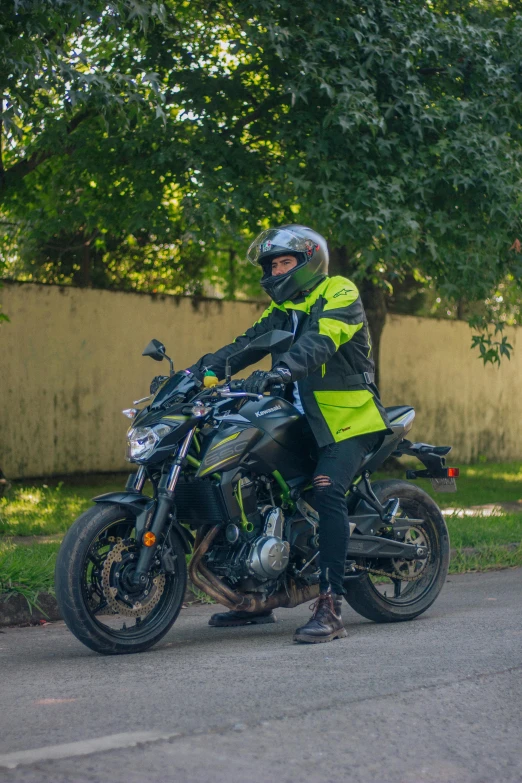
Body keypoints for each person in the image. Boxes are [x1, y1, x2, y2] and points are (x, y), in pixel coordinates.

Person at [187, 225, 390, 643]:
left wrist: (282, 370)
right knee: (251, 483)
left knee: (326, 488)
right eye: (272, 264)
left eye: (284, 262)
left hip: (346, 421)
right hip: (298, 422)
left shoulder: (339, 291)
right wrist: (194, 375)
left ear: (309, 260)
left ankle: (331, 604)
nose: (277, 270)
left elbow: (321, 341)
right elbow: (244, 346)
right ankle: (255, 593)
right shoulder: (282, 309)